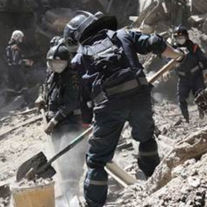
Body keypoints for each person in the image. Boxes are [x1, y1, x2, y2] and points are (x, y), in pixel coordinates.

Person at [64, 11, 185, 207]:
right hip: (139, 97)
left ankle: (94, 204)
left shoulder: (79, 59)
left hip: (108, 107)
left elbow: (84, 99)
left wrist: (87, 122)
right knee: (146, 139)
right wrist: (177, 55)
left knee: (96, 160)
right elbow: (154, 42)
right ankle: (157, 185)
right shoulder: (123, 34)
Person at [35, 37, 84, 200]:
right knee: (59, 158)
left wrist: (53, 121)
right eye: (52, 63)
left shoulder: (72, 77)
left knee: (69, 157)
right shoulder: (51, 74)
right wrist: (41, 98)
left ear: (66, 62)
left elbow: (71, 103)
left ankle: (73, 192)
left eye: (59, 63)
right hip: (55, 124)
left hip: (70, 123)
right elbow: (46, 89)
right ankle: (66, 189)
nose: (55, 66)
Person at [172, 26, 207, 122]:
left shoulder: (193, 47)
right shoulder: (172, 50)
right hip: (183, 78)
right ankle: (186, 119)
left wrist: (206, 69)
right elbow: (168, 62)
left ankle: (204, 116)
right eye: (178, 38)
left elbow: (203, 59)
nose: (180, 39)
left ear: (186, 37)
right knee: (181, 98)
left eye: (182, 37)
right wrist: (167, 72)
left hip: (196, 76)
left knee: (201, 96)